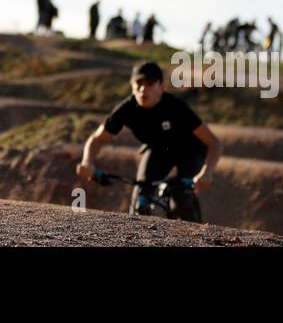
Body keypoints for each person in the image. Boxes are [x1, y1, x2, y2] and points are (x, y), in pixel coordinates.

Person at [75, 61, 223, 213]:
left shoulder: (176, 108)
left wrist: (207, 172)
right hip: (158, 151)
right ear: (132, 86)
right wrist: (87, 162)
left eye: (150, 83)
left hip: (190, 153)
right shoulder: (127, 109)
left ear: (162, 87)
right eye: (138, 83)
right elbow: (97, 139)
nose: (143, 89)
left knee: (181, 201)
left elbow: (214, 143)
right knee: (141, 201)